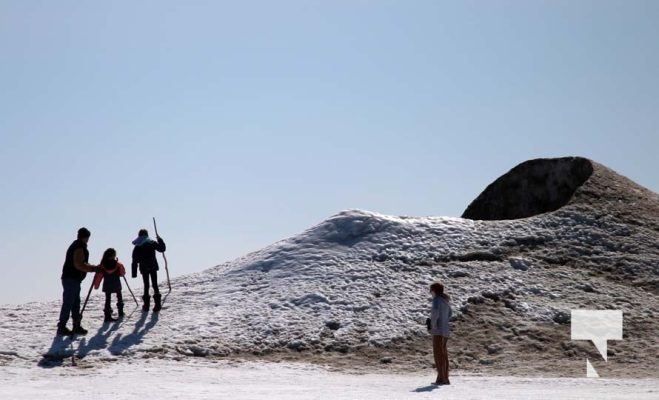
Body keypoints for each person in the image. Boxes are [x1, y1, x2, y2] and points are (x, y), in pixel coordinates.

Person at [57, 227, 98, 336]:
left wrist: (92, 268)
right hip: (71, 278)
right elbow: (79, 264)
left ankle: (76, 325)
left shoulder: (76, 246)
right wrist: (93, 268)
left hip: (72, 279)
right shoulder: (79, 247)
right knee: (69, 302)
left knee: (75, 303)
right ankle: (62, 327)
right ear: (86, 238)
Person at [131, 229, 166, 312]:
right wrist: (160, 240)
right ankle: (157, 305)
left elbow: (134, 260)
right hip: (152, 265)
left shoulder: (137, 246)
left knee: (146, 285)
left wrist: (134, 273)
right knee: (155, 284)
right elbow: (162, 249)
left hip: (143, 267)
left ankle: (146, 305)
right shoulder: (151, 242)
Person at [429, 281, 452, 385]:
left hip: (438, 331)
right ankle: (444, 377)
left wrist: (432, 326)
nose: (430, 292)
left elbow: (434, 314)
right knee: (444, 354)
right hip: (445, 330)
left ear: (434, 290)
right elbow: (450, 314)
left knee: (438, 355)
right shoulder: (445, 301)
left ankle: (442, 378)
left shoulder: (436, 300)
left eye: (431, 290)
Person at [97, 248, 126, 322]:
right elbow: (122, 274)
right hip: (116, 283)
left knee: (108, 299)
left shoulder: (102, 265)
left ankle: (107, 316)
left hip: (107, 284)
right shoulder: (118, 264)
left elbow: (99, 276)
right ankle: (121, 312)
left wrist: (96, 285)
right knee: (119, 296)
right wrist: (121, 272)